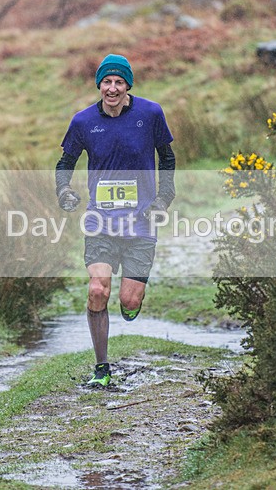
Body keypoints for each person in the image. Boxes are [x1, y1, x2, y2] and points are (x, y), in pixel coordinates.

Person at [55, 53, 176, 388]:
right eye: (106, 82)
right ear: (99, 86)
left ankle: (129, 303)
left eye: (118, 82)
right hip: (101, 223)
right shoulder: (83, 122)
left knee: (129, 300)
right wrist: (64, 190)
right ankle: (102, 368)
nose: (112, 88)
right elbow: (65, 162)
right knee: (97, 290)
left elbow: (167, 157)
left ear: (127, 86)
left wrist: (164, 198)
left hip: (141, 224)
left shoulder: (150, 114)